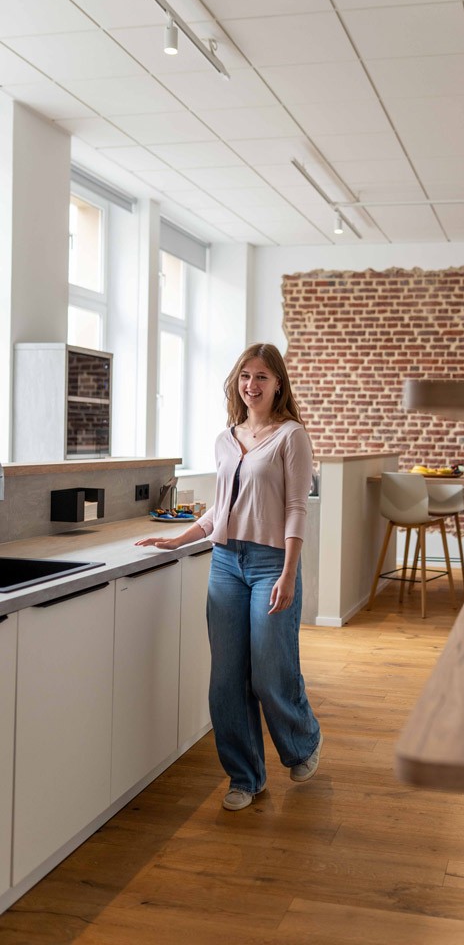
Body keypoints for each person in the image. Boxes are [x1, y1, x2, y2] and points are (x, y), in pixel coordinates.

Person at [136, 343, 322, 811]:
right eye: (245, 376)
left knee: (269, 671)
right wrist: (179, 539)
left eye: (262, 377)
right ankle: (245, 776)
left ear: (278, 383)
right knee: (225, 680)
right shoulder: (226, 438)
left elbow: (298, 509)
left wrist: (289, 573)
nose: (251, 385)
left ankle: (302, 742)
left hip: (269, 565)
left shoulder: (290, 436)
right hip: (225, 563)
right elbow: (222, 507)